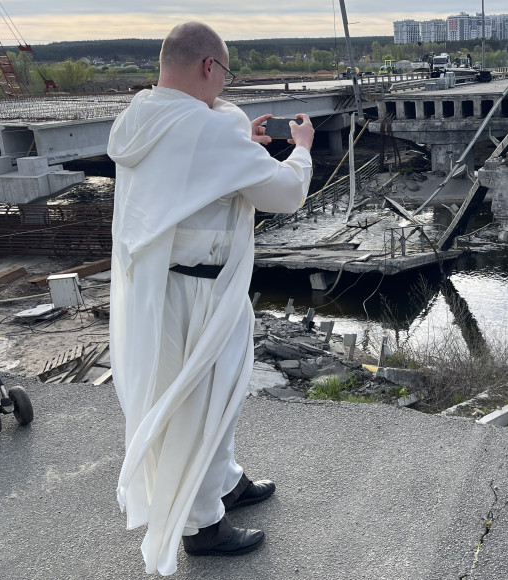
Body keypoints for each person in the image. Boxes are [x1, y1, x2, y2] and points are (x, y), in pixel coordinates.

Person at [107, 21, 314, 576]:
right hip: (203, 292)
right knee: (204, 403)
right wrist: (301, 151)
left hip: (164, 288)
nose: (224, 85)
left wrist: (237, 145)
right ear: (208, 66)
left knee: (209, 394)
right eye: (225, 72)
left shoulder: (139, 118)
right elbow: (286, 194)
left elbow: (187, 184)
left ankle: (223, 481)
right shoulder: (203, 127)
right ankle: (203, 526)